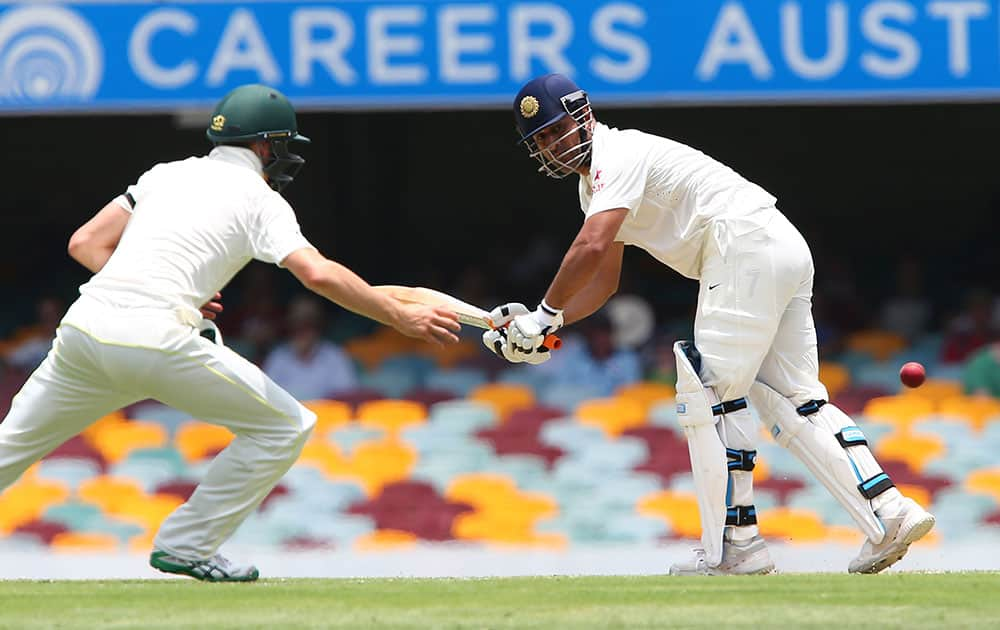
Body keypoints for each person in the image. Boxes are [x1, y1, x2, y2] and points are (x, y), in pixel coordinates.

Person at [0, 84, 459, 581]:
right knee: (286, 426)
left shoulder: (165, 174)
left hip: (85, 332)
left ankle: (187, 543)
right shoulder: (260, 199)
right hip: (156, 338)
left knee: (11, 445)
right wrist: (397, 314)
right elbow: (318, 274)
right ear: (265, 146)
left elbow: (85, 242)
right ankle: (187, 543)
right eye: (283, 146)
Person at [483, 73, 934, 575]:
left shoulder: (618, 155)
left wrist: (543, 313)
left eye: (555, 129)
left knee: (709, 395)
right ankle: (890, 512)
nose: (551, 144)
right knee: (798, 401)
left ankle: (737, 546)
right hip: (775, 244)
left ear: (582, 114)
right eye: (540, 140)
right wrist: (549, 322)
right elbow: (604, 281)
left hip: (739, 245)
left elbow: (589, 246)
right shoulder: (596, 188)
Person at [263, 295, 358, 400]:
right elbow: (267, 397)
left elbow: (346, 397)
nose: (302, 326)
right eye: (297, 320)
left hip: (326, 415)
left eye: (308, 320)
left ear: (319, 322)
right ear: (289, 322)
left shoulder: (335, 356)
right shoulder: (278, 356)